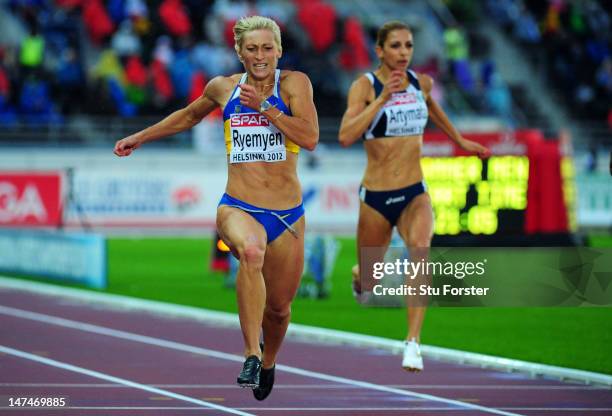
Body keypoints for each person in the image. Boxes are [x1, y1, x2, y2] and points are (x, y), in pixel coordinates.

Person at [114, 15, 319, 400]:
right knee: (251, 252)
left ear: (279, 50)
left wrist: (266, 108)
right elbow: (188, 116)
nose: (260, 56)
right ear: (239, 52)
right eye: (252, 49)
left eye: (267, 48)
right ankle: (251, 355)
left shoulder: (294, 84)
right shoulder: (223, 88)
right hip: (237, 206)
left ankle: (270, 360)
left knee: (279, 311)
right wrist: (141, 136)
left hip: (287, 215)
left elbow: (309, 138)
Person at [338, 21, 489, 372]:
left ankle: (413, 343)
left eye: (408, 45)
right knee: (370, 282)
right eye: (395, 46)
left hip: (413, 191)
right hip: (376, 196)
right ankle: (359, 274)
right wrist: (382, 100)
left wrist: (461, 141)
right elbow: (346, 135)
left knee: (420, 249)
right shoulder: (364, 86)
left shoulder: (421, 83)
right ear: (380, 50)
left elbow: (433, 108)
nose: (404, 52)